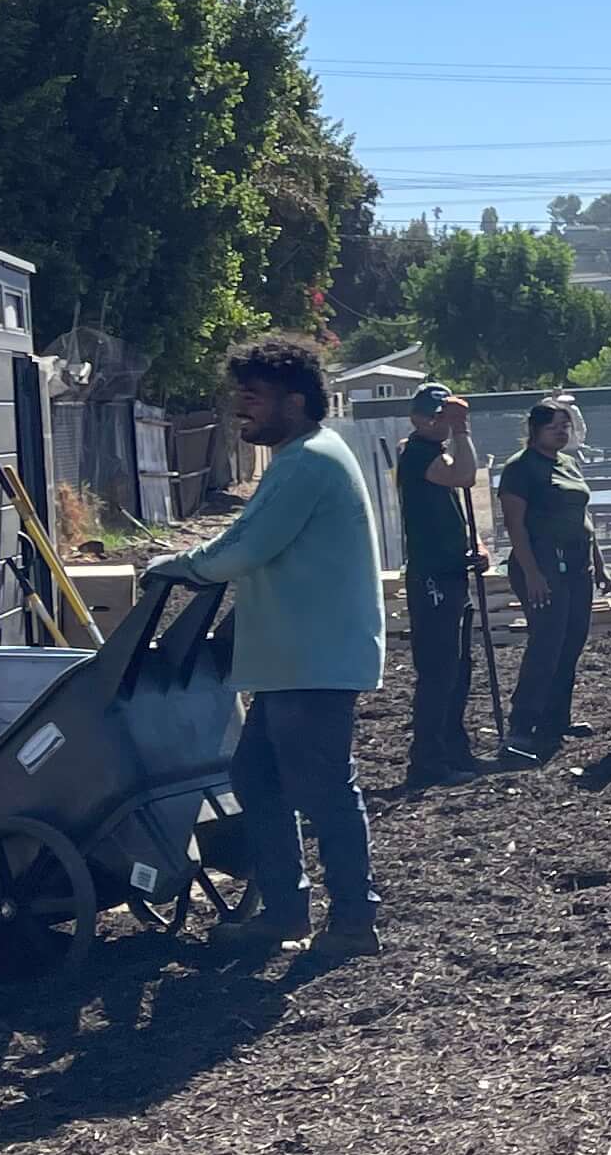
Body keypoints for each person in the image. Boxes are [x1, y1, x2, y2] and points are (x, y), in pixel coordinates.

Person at [152, 332, 384, 955]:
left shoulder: (309, 459)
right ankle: (287, 910)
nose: (241, 408)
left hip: (314, 659)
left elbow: (247, 546)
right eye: (240, 396)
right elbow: (256, 543)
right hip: (296, 658)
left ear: (297, 399)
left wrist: (179, 565)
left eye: (254, 397)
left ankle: (355, 921)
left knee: (324, 788)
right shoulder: (301, 455)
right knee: (256, 779)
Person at [388, 383, 486, 780]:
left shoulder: (435, 452)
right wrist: (462, 431)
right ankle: (427, 759)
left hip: (451, 569)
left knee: (459, 666)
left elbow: (456, 503)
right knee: (438, 669)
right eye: (438, 415)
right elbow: (465, 477)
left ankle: (453, 747)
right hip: (431, 573)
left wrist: (474, 543)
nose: (442, 423)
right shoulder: (416, 454)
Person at [494, 393, 595, 761]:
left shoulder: (568, 463)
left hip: (577, 564)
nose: (561, 433)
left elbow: (582, 515)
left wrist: (597, 562)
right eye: (554, 427)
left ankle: (557, 718)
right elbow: (514, 524)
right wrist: (533, 572)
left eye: (565, 426)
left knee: (572, 641)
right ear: (535, 430)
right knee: (546, 643)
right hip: (542, 565)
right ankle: (523, 724)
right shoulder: (521, 467)